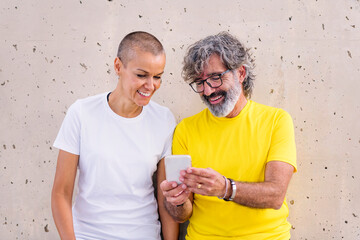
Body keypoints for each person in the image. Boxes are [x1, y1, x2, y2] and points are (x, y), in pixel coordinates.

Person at [158, 32, 297, 240]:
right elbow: (183, 215)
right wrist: (177, 201)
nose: (207, 91)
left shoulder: (276, 120)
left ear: (241, 73)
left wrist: (225, 188)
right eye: (200, 82)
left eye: (215, 77)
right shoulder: (186, 129)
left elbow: (275, 195)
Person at [51, 31, 176, 240]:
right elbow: (61, 193)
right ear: (118, 66)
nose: (150, 85)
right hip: (88, 235)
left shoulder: (164, 119)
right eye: (141, 75)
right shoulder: (82, 113)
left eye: (158, 77)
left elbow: (166, 198)